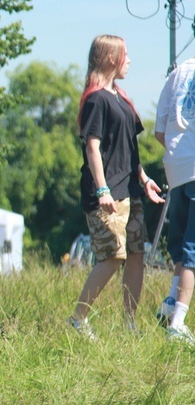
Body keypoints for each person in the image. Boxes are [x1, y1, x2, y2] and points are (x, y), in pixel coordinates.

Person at [67, 34, 163, 340]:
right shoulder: (96, 99)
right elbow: (92, 148)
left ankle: (130, 325)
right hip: (106, 195)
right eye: (126, 55)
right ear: (111, 59)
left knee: (136, 253)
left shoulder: (121, 98)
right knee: (112, 256)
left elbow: (129, 150)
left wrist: (144, 179)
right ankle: (78, 319)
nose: (130, 60)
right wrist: (102, 190)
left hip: (130, 191)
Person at [154, 54, 195, 343]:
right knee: (193, 250)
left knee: (180, 243)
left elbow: (160, 131)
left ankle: (169, 301)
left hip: (175, 166)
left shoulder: (178, 72)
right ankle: (178, 322)